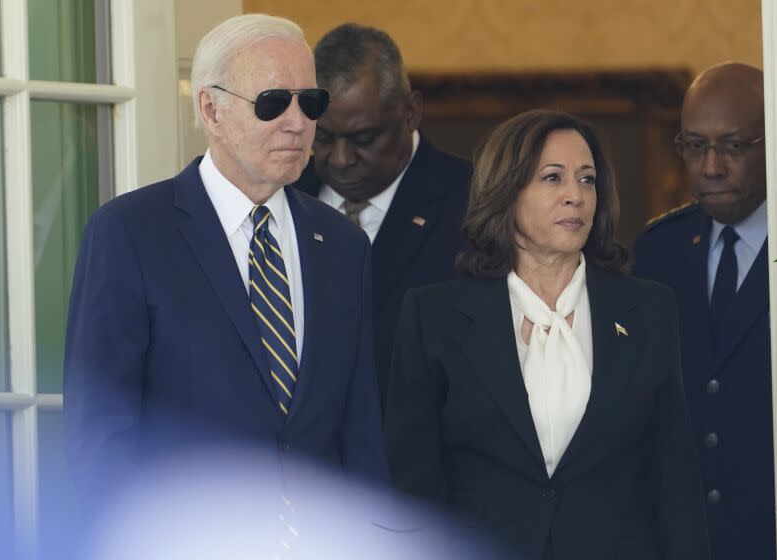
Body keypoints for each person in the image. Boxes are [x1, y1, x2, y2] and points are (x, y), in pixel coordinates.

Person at [63, 14, 387, 505]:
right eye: (273, 102)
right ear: (211, 111)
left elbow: (361, 431)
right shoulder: (130, 233)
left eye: (311, 102)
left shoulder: (343, 244)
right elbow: (100, 435)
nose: (297, 122)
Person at [385, 109, 710, 560]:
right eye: (553, 178)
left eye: (587, 179)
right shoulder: (434, 315)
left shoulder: (649, 310)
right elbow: (413, 486)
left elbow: (675, 479)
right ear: (506, 190)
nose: (575, 196)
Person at [632, 62, 772, 560]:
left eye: (733, 146)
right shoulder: (657, 252)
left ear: (773, 138)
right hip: (680, 540)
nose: (711, 166)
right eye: (695, 146)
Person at [291, 23, 472, 409]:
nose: (340, 159)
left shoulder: (475, 204)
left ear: (410, 113)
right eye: (321, 137)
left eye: (364, 138)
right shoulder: (280, 199)